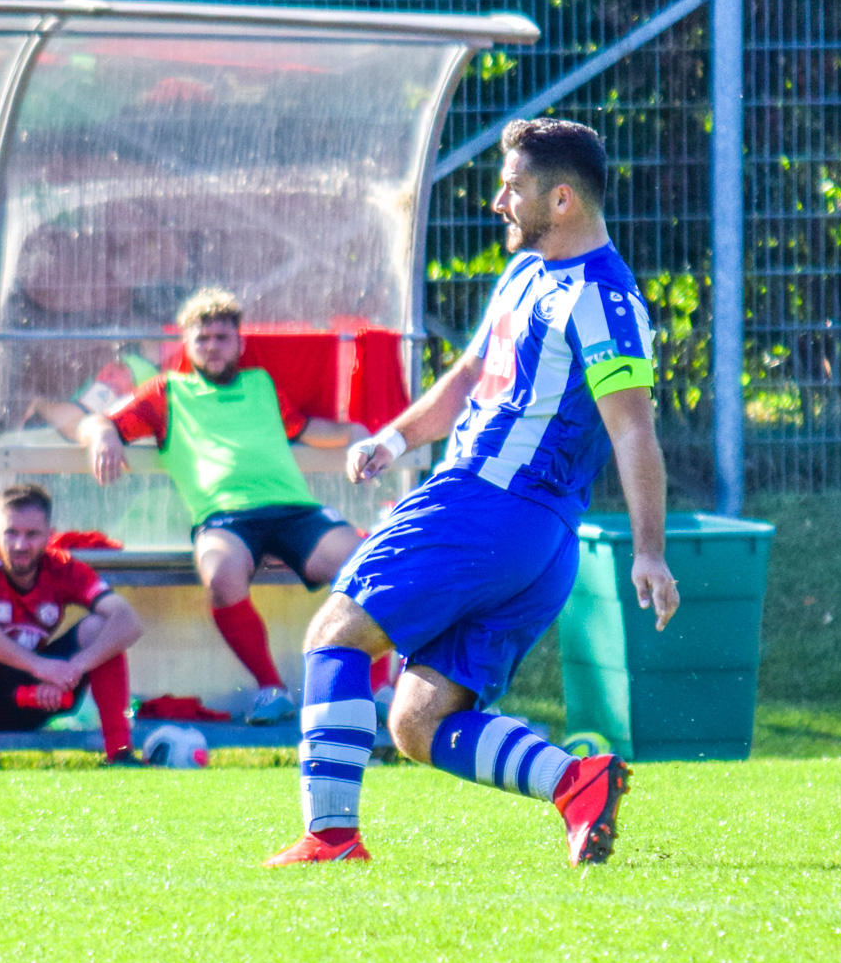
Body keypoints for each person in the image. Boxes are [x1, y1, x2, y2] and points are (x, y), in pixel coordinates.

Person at [265, 118, 681, 868]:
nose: (498, 201)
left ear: (561, 199)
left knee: (334, 634)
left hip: (484, 507)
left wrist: (649, 552)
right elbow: (468, 377)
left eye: (513, 187)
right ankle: (576, 783)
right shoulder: (527, 274)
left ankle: (331, 839)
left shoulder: (602, 299)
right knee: (417, 721)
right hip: (536, 541)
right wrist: (395, 440)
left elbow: (633, 431)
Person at [70, 288, 367, 725]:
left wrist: (356, 432)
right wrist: (102, 435)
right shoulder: (167, 391)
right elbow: (98, 420)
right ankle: (272, 690)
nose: (212, 347)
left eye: (221, 338)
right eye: (202, 339)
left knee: (367, 564)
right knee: (221, 573)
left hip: (294, 509)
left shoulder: (260, 383)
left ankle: (371, 690)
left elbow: (302, 429)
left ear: (240, 344)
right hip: (225, 518)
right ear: (186, 345)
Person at [0, 484, 144, 768]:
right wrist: (39, 666)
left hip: (38, 695)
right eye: (11, 533)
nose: (20, 545)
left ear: (49, 535)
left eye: (32, 534)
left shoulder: (63, 566)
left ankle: (120, 753)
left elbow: (128, 621)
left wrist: (72, 669)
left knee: (101, 630)